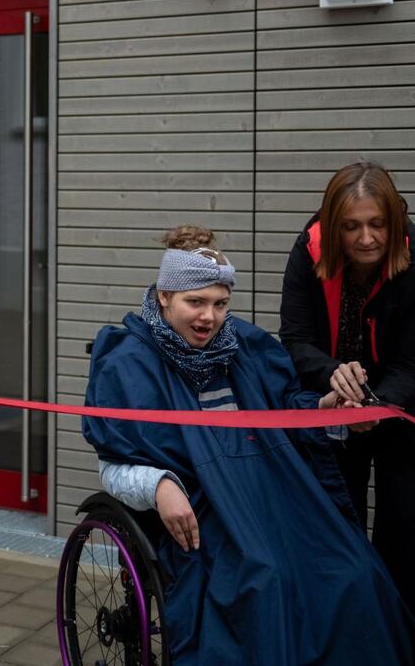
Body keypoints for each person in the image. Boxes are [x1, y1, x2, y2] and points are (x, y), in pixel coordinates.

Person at [83, 225, 413, 665]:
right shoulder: (128, 360)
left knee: (355, 571)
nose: (209, 317)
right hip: (207, 505)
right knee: (265, 581)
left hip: (273, 489)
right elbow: (114, 463)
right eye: (195, 302)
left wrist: (327, 410)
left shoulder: (244, 345)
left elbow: (286, 409)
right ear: (164, 296)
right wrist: (159, 484)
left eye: (220, 304)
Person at [279, 161, 415, 610]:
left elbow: (413, 359)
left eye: (377, 224)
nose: (367, 238)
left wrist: (382, 404)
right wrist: (329, 373)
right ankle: (349, 627)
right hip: (336, 402)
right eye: (351, 227)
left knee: (402, 525)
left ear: (394, 221)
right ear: (333, 225)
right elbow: (297, 338)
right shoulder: (308, 251)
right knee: (339, 524)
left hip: (401, 405)